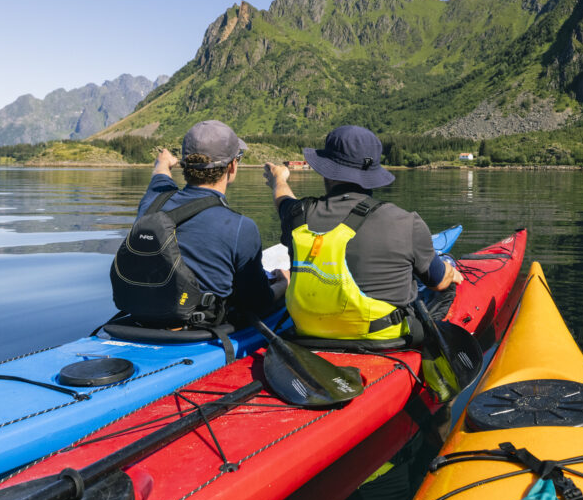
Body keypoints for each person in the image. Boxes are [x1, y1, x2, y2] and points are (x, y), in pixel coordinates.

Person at [264, 125, 461, 341]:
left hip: (308, 333)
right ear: (372, 175)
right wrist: (450, 270)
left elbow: (283, 200)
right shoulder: (406, 222)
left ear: (327, 171)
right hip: (384, 339)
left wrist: (278, 179)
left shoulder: (297, 216)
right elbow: (439, 282)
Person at [112, 120, 283, 328]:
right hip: (200, 331)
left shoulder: (153, 201)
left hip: (141, 322)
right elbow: (258, 302)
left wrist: (164, 162)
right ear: (232, 165)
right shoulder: (241, 227)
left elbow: (159, 175)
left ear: (185, 165)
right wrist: (284, 283)